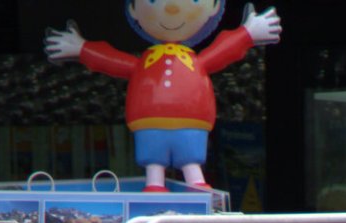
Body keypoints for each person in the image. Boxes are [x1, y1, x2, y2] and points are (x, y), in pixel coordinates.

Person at [45, 1, 281, 191]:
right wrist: (81, 48)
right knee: (153, 158)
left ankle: (193, 181)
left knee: (190, 157)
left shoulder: (192, 61)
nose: (171, 9)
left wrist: (248, 33)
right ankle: (156, 183)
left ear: (212, 7)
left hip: (191, 122)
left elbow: (223, 50)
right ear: (134, 10)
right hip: (151, 123)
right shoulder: (146, 63)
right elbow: (112, 61)